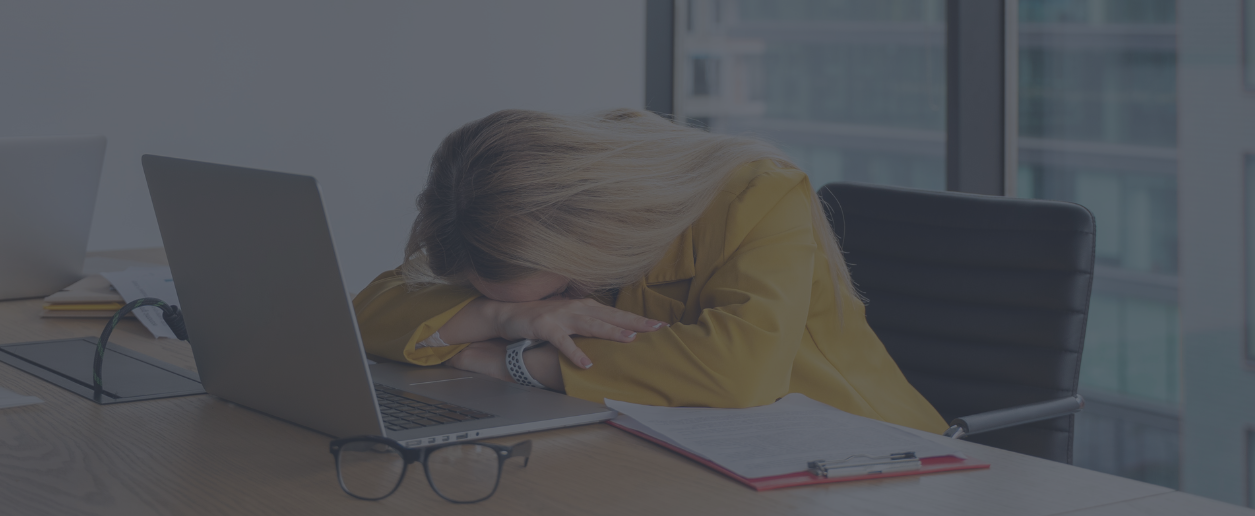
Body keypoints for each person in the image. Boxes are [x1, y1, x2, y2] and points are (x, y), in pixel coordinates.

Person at [352, 109, 949, 433]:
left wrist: (508, 361)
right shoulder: (499, 222)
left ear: (592, 232)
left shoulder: (759, 193)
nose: (555, 307)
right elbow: (365, 311)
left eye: (559, 289)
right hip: (682, 445)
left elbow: (738, 370)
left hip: (863, 454)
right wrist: (503, 314)